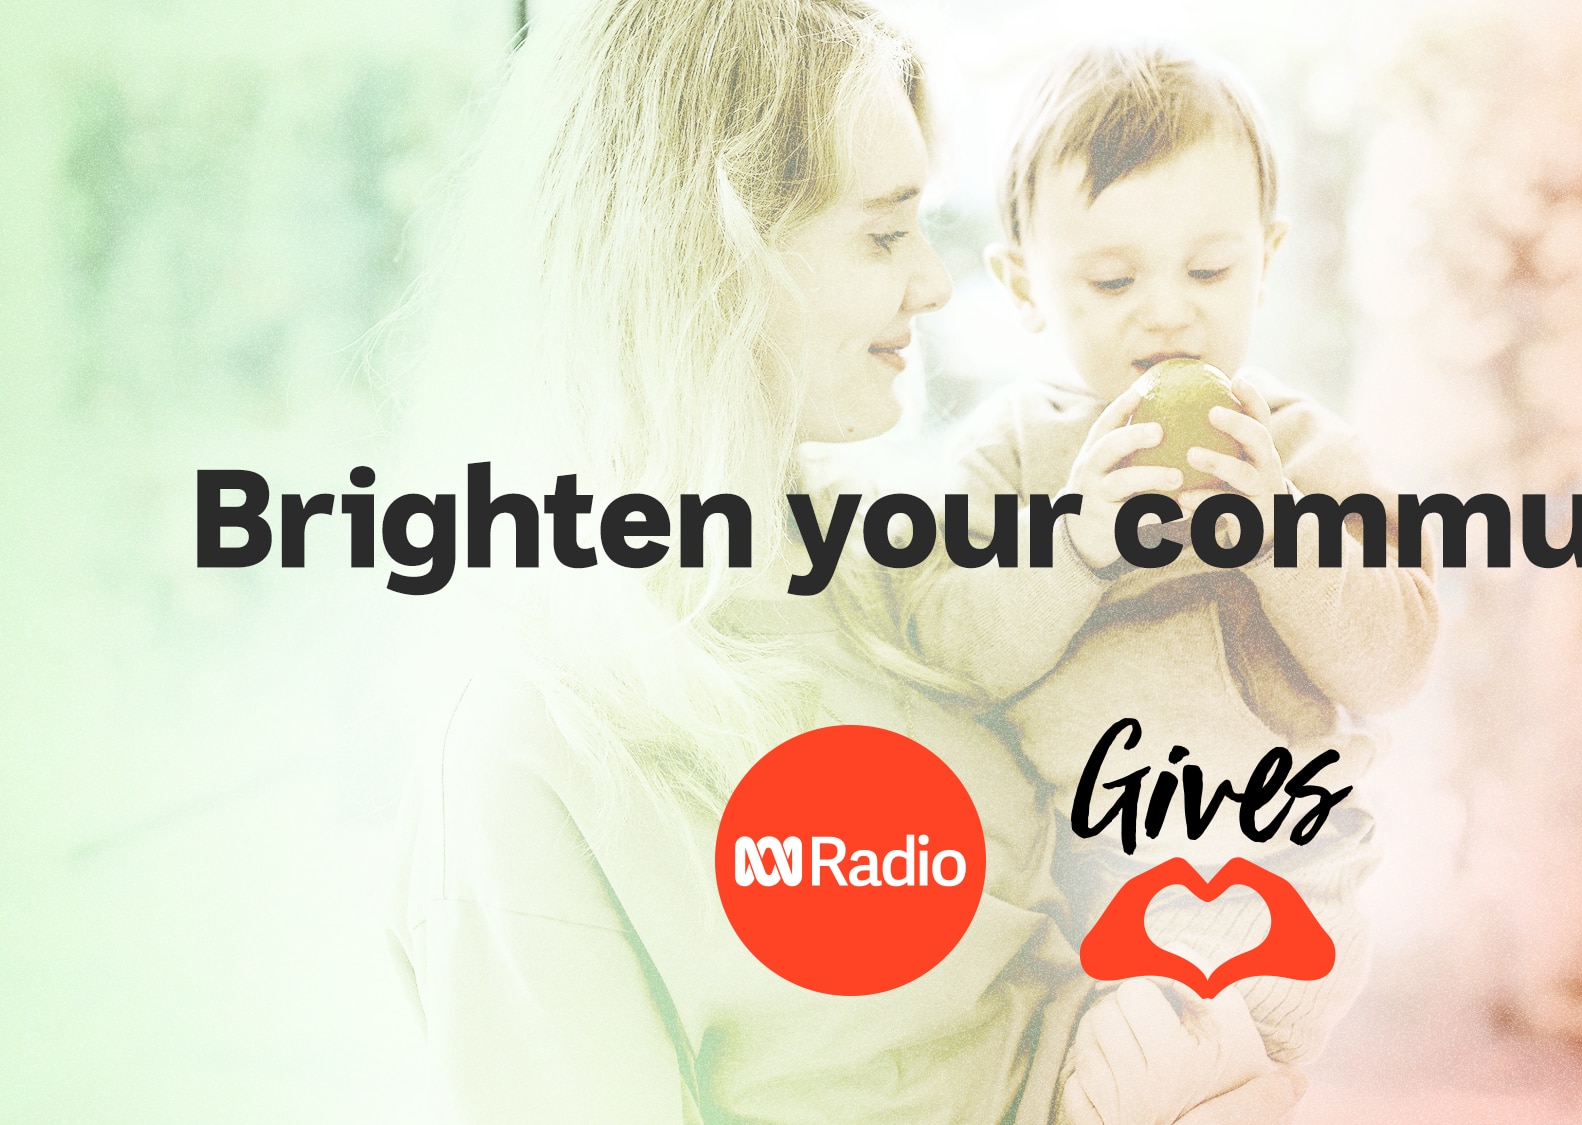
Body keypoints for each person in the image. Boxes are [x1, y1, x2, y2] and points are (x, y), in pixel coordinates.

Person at [385, 3, 1305, 1122]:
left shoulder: (897, 573)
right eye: (882, 234)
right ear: (701, 260)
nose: (931, 281)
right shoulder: (534, 754)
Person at [891, 41, 1441, 1078]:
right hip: (1075, 923)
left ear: (1266, 259)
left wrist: (1281, 537)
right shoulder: (1009, 460)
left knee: (1203, 1072)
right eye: (1109, 278)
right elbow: (949, 649)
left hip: (1279, 899)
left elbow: (1394, 663)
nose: (1166, 309)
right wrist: (1070, 543)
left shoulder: (1303, 453)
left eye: (1208, 270)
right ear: (1021, 283)